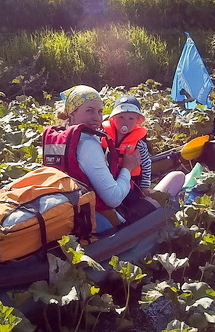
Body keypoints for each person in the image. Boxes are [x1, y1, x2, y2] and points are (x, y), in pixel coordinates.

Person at [42, 85, 184, 233]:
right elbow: (114, 199)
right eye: (89, 111)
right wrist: (127, 168)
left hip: (73, 212)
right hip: (102, 219)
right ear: (72, 114)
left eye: (100, 111)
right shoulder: (88, 145)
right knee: (177, 177)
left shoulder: (60, 138)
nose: (97, 118)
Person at [102, 94, 152, 196]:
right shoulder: (103, 135)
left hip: (129, 184)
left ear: (137, 121)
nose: (125, 122)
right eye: (121, 117)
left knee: (131, 199)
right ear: (113, 118)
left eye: (131, 119)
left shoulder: (139, 144)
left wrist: (145, 187)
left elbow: (146, 164)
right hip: (106, 180)